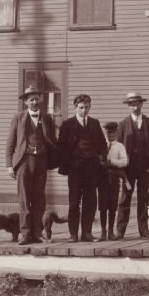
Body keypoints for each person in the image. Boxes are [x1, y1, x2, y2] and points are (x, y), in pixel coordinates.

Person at [5, 85, 59, 245]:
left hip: (41, 161)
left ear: (40, 100)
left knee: (39, 198)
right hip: (24, 161)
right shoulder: (18, 118)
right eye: (31, 100)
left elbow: (53, 141)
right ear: (26, 102)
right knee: (24, 198)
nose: (34, 102)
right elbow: (10, 143)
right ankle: (25, 233)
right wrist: (9, 165)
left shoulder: (47, 118)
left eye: (36, 99)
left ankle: (38, 233)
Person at [56, 94, 106, 242]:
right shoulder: (67, 124)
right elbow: (61, 146)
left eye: (87, 107)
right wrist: (67, 162)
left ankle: (87, 233)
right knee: (74, 202)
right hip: (75, 169)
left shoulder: (95, 123)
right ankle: (73, 234)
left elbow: (103, 144)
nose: (84, 110)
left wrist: (101, 156)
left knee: (90, 201)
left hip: (92, 169)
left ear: (90, 107)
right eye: (81, 107)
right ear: (75, 108)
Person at [114, 92, 149, 239]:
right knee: (125, 197)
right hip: (128, 168)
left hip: (145, 167)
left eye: (137, 104)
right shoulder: (123, 124)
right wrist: (120, 167)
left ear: (141, 104)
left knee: (144, 197)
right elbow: (118, 147)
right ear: (129, 106)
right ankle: (120, 230)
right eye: (132, 105)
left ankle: (144, 229)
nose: (135, 107)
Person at [98, 121, 130, 241]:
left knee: (112, 205)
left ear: (116, 133)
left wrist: (111, 162)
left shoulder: (119, 146)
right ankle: (103, 231)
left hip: (114, 177)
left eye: (112, 133)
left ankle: (111, 231)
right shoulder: (101, 145)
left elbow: (125, 162)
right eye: (108, 133)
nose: (110, 135)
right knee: (102, 205)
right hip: (102, 177)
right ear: (105, 133)